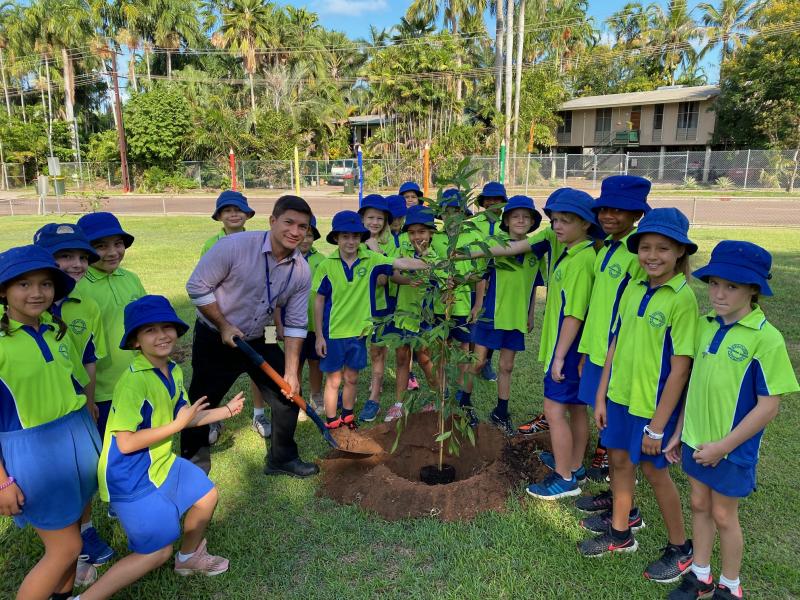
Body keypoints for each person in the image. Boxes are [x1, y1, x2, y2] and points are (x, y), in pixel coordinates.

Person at [79, 296, 244, 600]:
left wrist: (226, 412)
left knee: (206, 495)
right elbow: (126, 442)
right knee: (156, 552)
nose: (162, 335)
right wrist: (175, 426)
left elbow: (184, 416)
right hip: (130, 476)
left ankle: (188, 558)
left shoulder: (173, 370)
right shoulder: (132, 383)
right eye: (150, 330)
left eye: (167, 327)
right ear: (136, 341)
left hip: (161, 461)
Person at [665, 241, 799, 600]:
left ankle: (730, 586)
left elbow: (769, 406)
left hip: (731, 449)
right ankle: (701, 576)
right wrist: (680, 431)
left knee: (724, 515)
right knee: (698, 504)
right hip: (696, 439)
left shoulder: (766, 339)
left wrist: (724, 446)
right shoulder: (704, 324)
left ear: (754, 290)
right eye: (714, 284)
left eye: (732, 286)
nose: (719, 294)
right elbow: (693, 383)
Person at [579, 208, 697, 585]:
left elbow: (680, 369)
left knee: (653, 470)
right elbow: (614, 343)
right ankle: (620, 533)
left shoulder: (683, 300)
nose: (652, 256)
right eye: (645, 247)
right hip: (618, 398)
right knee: (617, 461)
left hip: (652, 408)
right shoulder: (632, 288)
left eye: (663, 248)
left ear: (680, 251)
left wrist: (659, 428)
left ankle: (681, 547)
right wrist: (601, 396)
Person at [185, 194, 317, 478]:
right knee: (202, 399)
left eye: (303, 227)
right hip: (216, 335)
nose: (295, 232)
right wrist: (222, 325)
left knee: (288, 396)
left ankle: (282, 458)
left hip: (259, 336)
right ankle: (193, 466)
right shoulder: (234, 247)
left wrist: (292, 372)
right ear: (272, 221)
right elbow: (197, 286)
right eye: (289, 223)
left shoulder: (301, 271)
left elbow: (295, 323)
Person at [0, 245, 102, 600]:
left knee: (73, 525)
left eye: (45, 284)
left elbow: (75, 383)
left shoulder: (55, 330)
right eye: (24, 284)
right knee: (66, 549)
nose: (37, 292)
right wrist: (1, 482)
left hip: (74, 437)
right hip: (32, 453)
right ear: (3, 291)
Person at [32, 223, 116, 572]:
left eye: (82, 257)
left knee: (83, 473)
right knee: (44, 480)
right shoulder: (20, 308)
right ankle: (62, 544)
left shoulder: (87, 306)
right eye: (64, 256)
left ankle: (84, 531)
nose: (76, 264)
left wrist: (91, 402)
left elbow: (89, 361)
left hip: (78, 407)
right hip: (33, 414)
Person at [313, 210, 431, 429]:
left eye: (355, 236)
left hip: (359, 333)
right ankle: (331, 422)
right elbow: (319, 301)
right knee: (333, 380)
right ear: (336, 238)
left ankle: (347, 417)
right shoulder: (326, 266)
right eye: (345, 236)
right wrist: (319, 335)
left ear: (361, 238)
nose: (351, 241)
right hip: (333, 333)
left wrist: (430, 264)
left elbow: (400, 263)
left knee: (352, 378)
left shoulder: (371, 259)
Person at [575, 175, 650, 491]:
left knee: (615, 411)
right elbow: (598, 303)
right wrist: (584, 347)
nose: (607, 215)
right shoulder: (604, 248)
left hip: (616, 352)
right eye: (603, 208)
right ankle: (606, 450)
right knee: (598, 404)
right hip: (594, 346)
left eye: (618, 210)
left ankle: (610, 458)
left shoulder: (637, 256)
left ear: (637, 215)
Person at [522, 190, 598, 499]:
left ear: (585, 223)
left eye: (566, 221)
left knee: (554, 410)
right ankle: (575, 464)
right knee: (577, 408)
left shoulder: (581, 261)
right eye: (554, 220)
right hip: (573, 347)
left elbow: (574, 313)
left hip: (568, 347)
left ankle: (565, 478)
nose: (557, 227)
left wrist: (559, 357)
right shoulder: (576, 253)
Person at [457, 195, 547, 433]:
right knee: (476, 364)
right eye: (515, 216)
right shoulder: (495, 244)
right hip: (491, 315)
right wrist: (476, 304)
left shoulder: (536, 249)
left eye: (526, 217)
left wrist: (530, 314)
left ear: (532, 222)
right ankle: (463, 403)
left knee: (506, 367)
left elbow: (534, 285)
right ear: (506, 220)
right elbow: (481, 277)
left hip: (515, 318)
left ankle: (500, 412)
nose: (520, 220)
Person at [199, 191, 269, 440]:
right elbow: (203, 285)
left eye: (238, 209)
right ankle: (213, 420)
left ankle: (259, 414)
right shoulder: (212, 244)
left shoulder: (258, 241)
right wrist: (220, 322)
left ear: (248, 214)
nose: (234, 214)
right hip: (223, 324)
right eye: (227, 210)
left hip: (258, 322)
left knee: (262, 369)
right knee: (215, 375)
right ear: (218, 216)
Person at [75, 212, 147, 438]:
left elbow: (146, 325)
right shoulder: (77, 285)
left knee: (141, 444)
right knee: (108, 453)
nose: (113, 252)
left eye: (118, 244)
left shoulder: (130, 278)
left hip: (137, 380)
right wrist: (89, 397)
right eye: (101, 246)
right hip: (101, 392)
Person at [384, 205, 440, 421]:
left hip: (425, 317)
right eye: (412, 232)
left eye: (422, 232)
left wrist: (424, 261)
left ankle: (437, 399)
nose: (417, 236)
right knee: (401, 358)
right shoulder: (402, 251)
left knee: (425, 359)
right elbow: (394, 275)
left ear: (431, 233)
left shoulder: (436, 255)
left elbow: (438, 276)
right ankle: (398, 404)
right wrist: (411, 280)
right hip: (403, 314)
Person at [358, 194, 395, 422]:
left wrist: (374, 250)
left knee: (377, 352)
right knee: (352, 350)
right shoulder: (353, 240)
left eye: (379, 218)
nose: (374, 222)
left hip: (380, 306)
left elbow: (382, 280)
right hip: (355, 308)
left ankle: (374, 398)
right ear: (362, 218)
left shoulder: (389, 243)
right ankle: (347, 390)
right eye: (370, 217)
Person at [297, 215, 325, 414]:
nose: (305, 239)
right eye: (302, 235)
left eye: (310, 235)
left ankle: (316, 396)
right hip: (294, 325)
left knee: (315, 361)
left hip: (316, 324)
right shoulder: (286, 256)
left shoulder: (321, 260)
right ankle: (296, 399)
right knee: (295, 363)